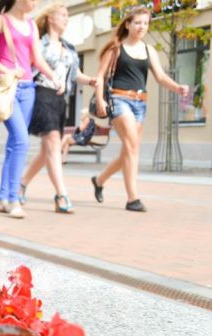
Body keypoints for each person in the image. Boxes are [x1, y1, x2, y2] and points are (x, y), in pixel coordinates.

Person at [92, 6, 188, 212]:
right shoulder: (115, 48)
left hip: (140, 103)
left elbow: (160, 77)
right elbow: (100, 76)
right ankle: (132, 199)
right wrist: (100, 99)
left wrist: (178, 88)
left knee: (129, 150)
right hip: (119, 99)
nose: (141, 27)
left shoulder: (148, 50)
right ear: (127, 24)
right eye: (137, 23)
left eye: (145, 23)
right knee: (133, 147)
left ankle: (99, 180)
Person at [0, 0, 61, 219]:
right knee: (22, 141)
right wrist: (6, 69)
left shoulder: (31, 25)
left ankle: (2, 197)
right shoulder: (0, 21)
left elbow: (37, 58)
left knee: (14, 144)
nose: (35, 2)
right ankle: (14, 199)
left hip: (28, 89)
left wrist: (54, 77)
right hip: (8, 89)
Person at [19, 2, 97, 214]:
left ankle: (22, 183)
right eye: (62, 14)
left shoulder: (69, 48)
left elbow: (74, 74)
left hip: (61, 100)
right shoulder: (39, 44)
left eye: (67, 15)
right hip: (42, 94)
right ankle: (62, 195)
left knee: (47, 150)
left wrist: (90, 80)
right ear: (50, 18)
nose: (66, 18)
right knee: (54, 145)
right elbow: (28, 67)